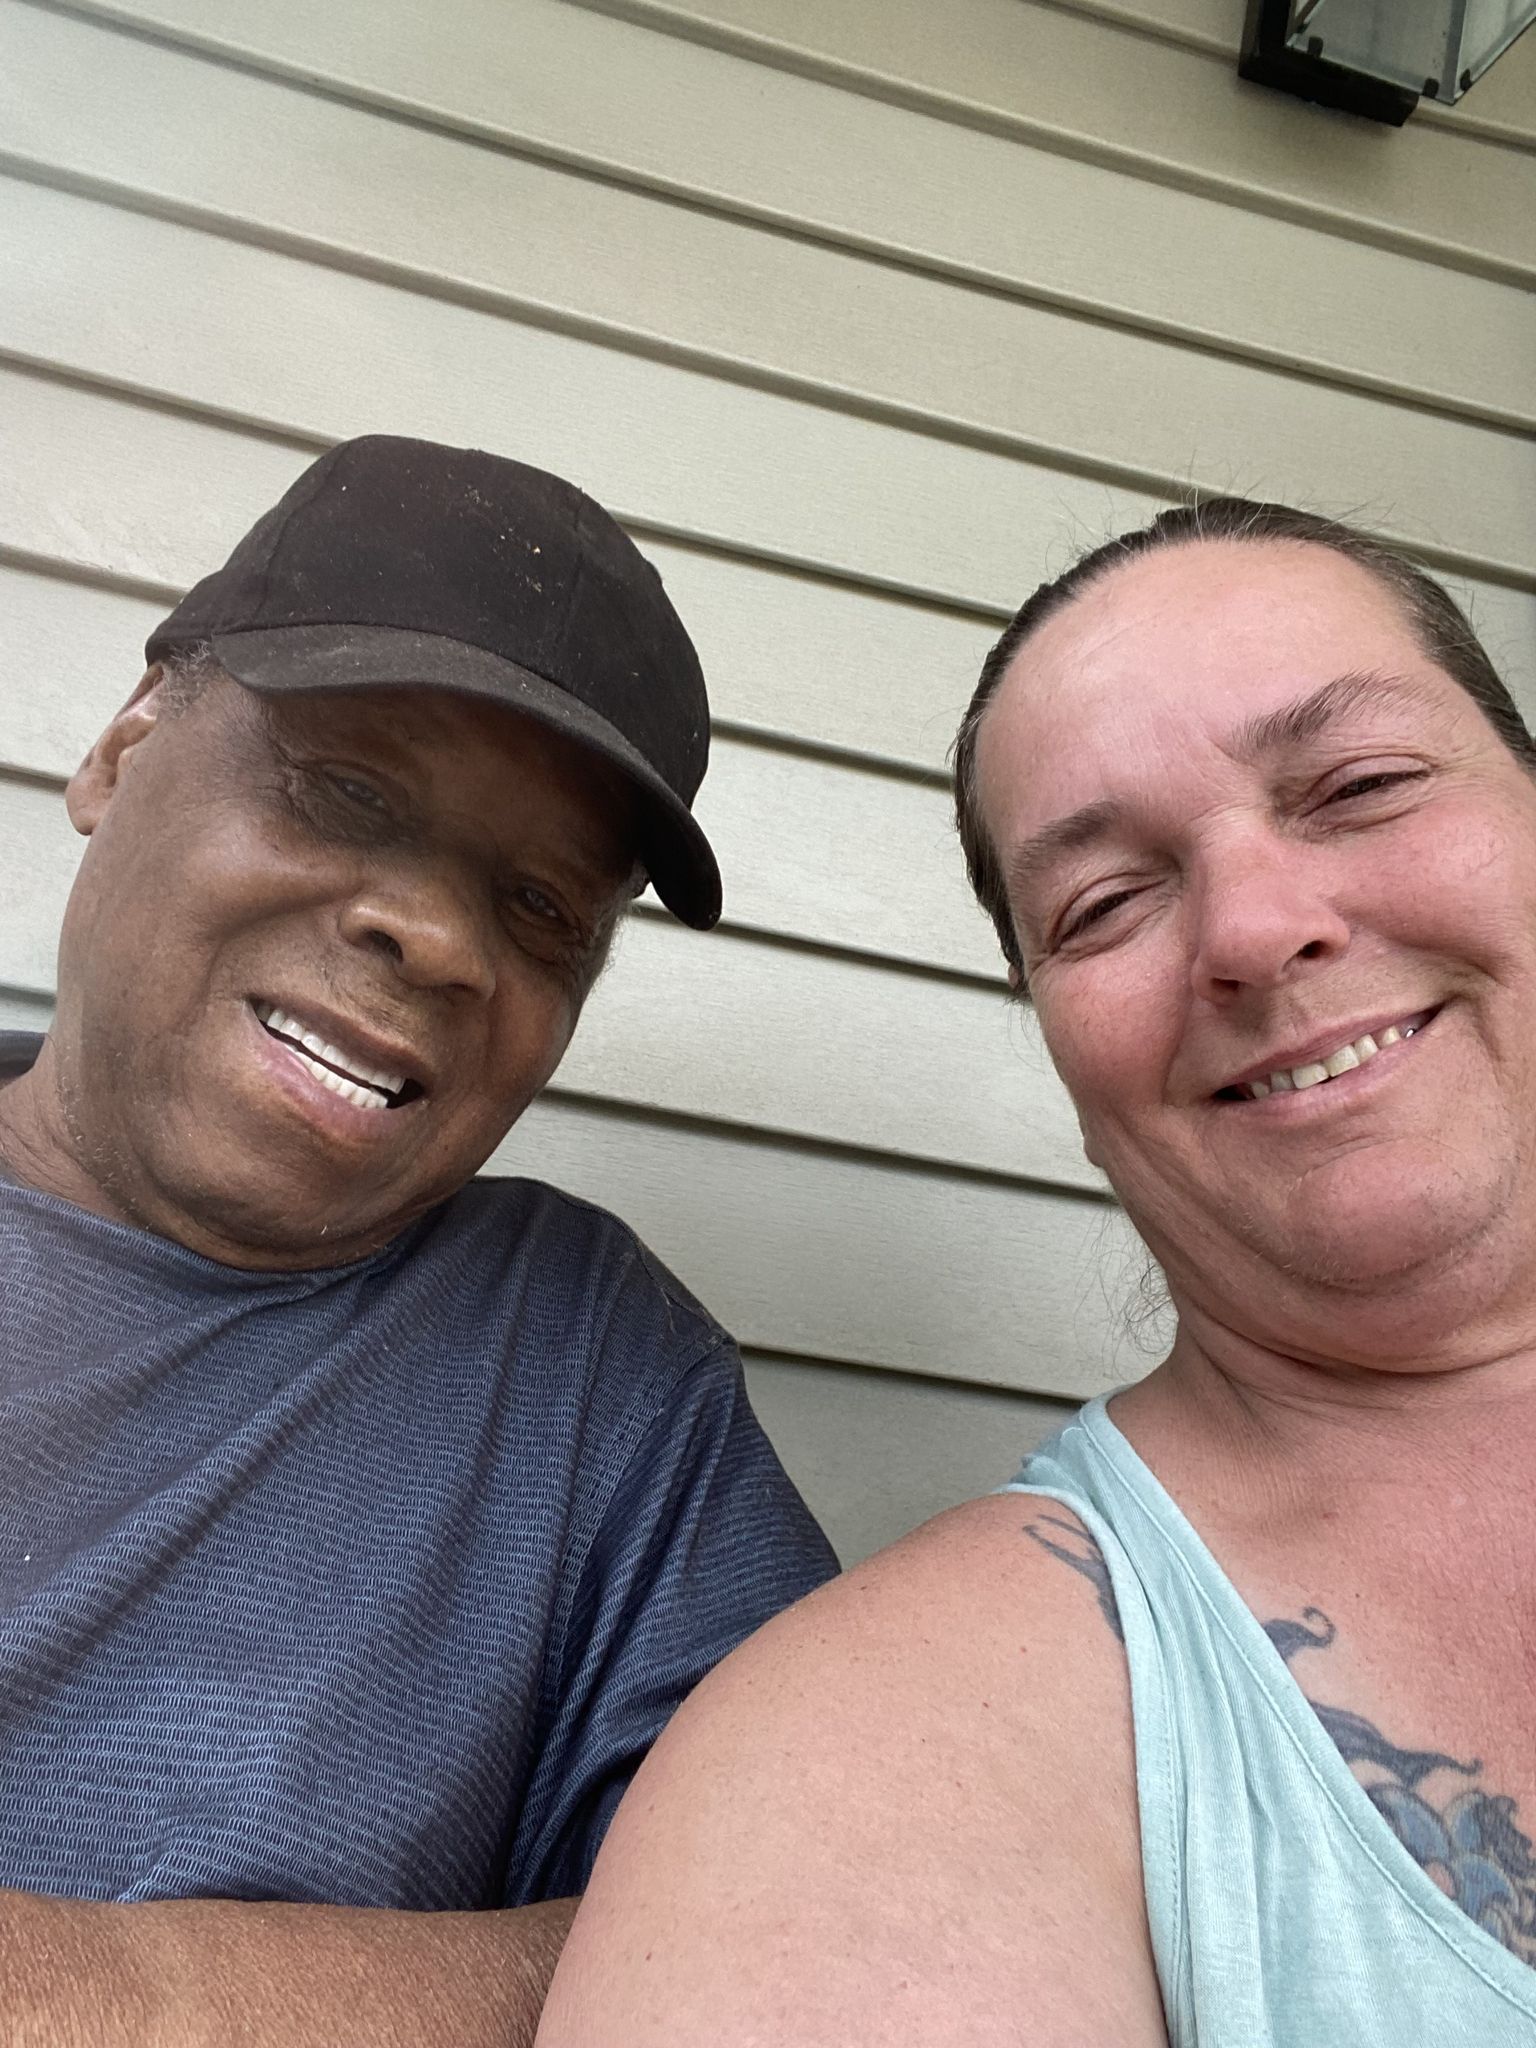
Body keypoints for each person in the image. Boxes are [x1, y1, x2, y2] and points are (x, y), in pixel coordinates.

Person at [535, 497, 1536, 2046]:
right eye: (1106, 903)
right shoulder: (885, 1745)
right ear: (1060, 1051)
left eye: (1359, 787)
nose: (1257, 929)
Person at [0, 434, 836, 2047]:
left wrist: (96, 1993)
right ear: (122, 747)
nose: (443, 939)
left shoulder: (591, 1374)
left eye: (542, 908)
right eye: (350, 790)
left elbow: (804, 1926)